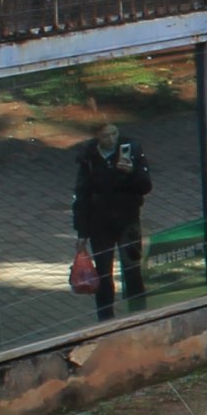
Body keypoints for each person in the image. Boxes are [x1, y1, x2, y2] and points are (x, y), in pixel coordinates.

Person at [72, 123, 154, 318]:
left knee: (132, 270)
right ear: (97, 138)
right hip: (99, 223)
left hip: (127, 220)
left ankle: (138, 315)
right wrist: (82, 232)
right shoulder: (89, 158)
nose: (111, 140)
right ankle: (105, 317)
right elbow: (82, 196)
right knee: (103, 273)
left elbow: (146, 185)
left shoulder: (131, 150)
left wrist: (131, 172)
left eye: (114, 134)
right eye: (105, 136)